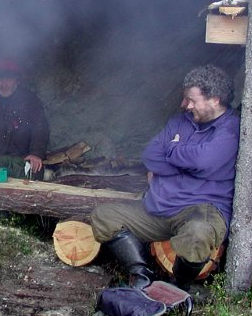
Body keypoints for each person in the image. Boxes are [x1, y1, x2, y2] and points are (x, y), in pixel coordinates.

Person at [90, 64, 240, 291]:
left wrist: (171, 153)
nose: (185, 105)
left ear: (215, 100)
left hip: (200, 210)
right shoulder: (180, 121)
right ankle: (142, 275)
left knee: (198, 234)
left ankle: (177, 286)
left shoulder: (230, 128)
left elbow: (203, 161)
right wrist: (187, 167)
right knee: (104, 215)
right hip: (158, 209)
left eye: (192, 100)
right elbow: (150, 155)